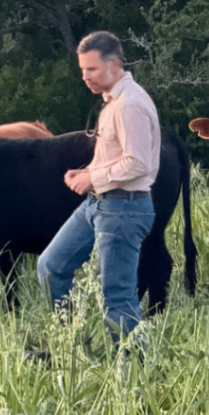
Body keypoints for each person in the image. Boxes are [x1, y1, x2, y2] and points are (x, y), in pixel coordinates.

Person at [36, 30, 160, 340]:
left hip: (125, 207)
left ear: (115, 64)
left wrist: (92, 177)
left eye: (91, 69)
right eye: (82, 70)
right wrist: (86, 174)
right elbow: (115, 157)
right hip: (100, 204)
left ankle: (133, 367)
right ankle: (71, 344)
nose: (85, 77)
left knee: (117, 297)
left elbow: (137, 163)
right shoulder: (112, 104)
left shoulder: (129, 105)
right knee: (51, 266)